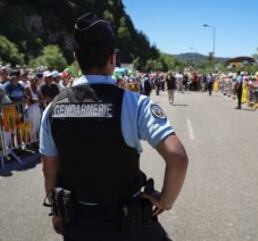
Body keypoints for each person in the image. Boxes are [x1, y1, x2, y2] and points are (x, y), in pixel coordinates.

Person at [40, 13, 188, 241]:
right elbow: (178, 158)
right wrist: (164, 201)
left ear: (76, 59)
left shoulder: (53, 108)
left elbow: (49, 171)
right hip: (128, 225)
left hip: (78, 223)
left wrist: (56, 211)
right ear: (112, 58)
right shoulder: (134, 103)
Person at [25, 75, 43, 143]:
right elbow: (29, 99)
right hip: (30, 109)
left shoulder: (38, 88)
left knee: (37, 125)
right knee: (31, 125)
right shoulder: (27, 88)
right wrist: (35, 100)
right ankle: (30, 142)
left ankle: (35, 141)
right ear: (30, 81)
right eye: (32, 80)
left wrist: (38, 100)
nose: (34, 81)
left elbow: (41, 98)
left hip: (37, 108)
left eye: (35, 80)